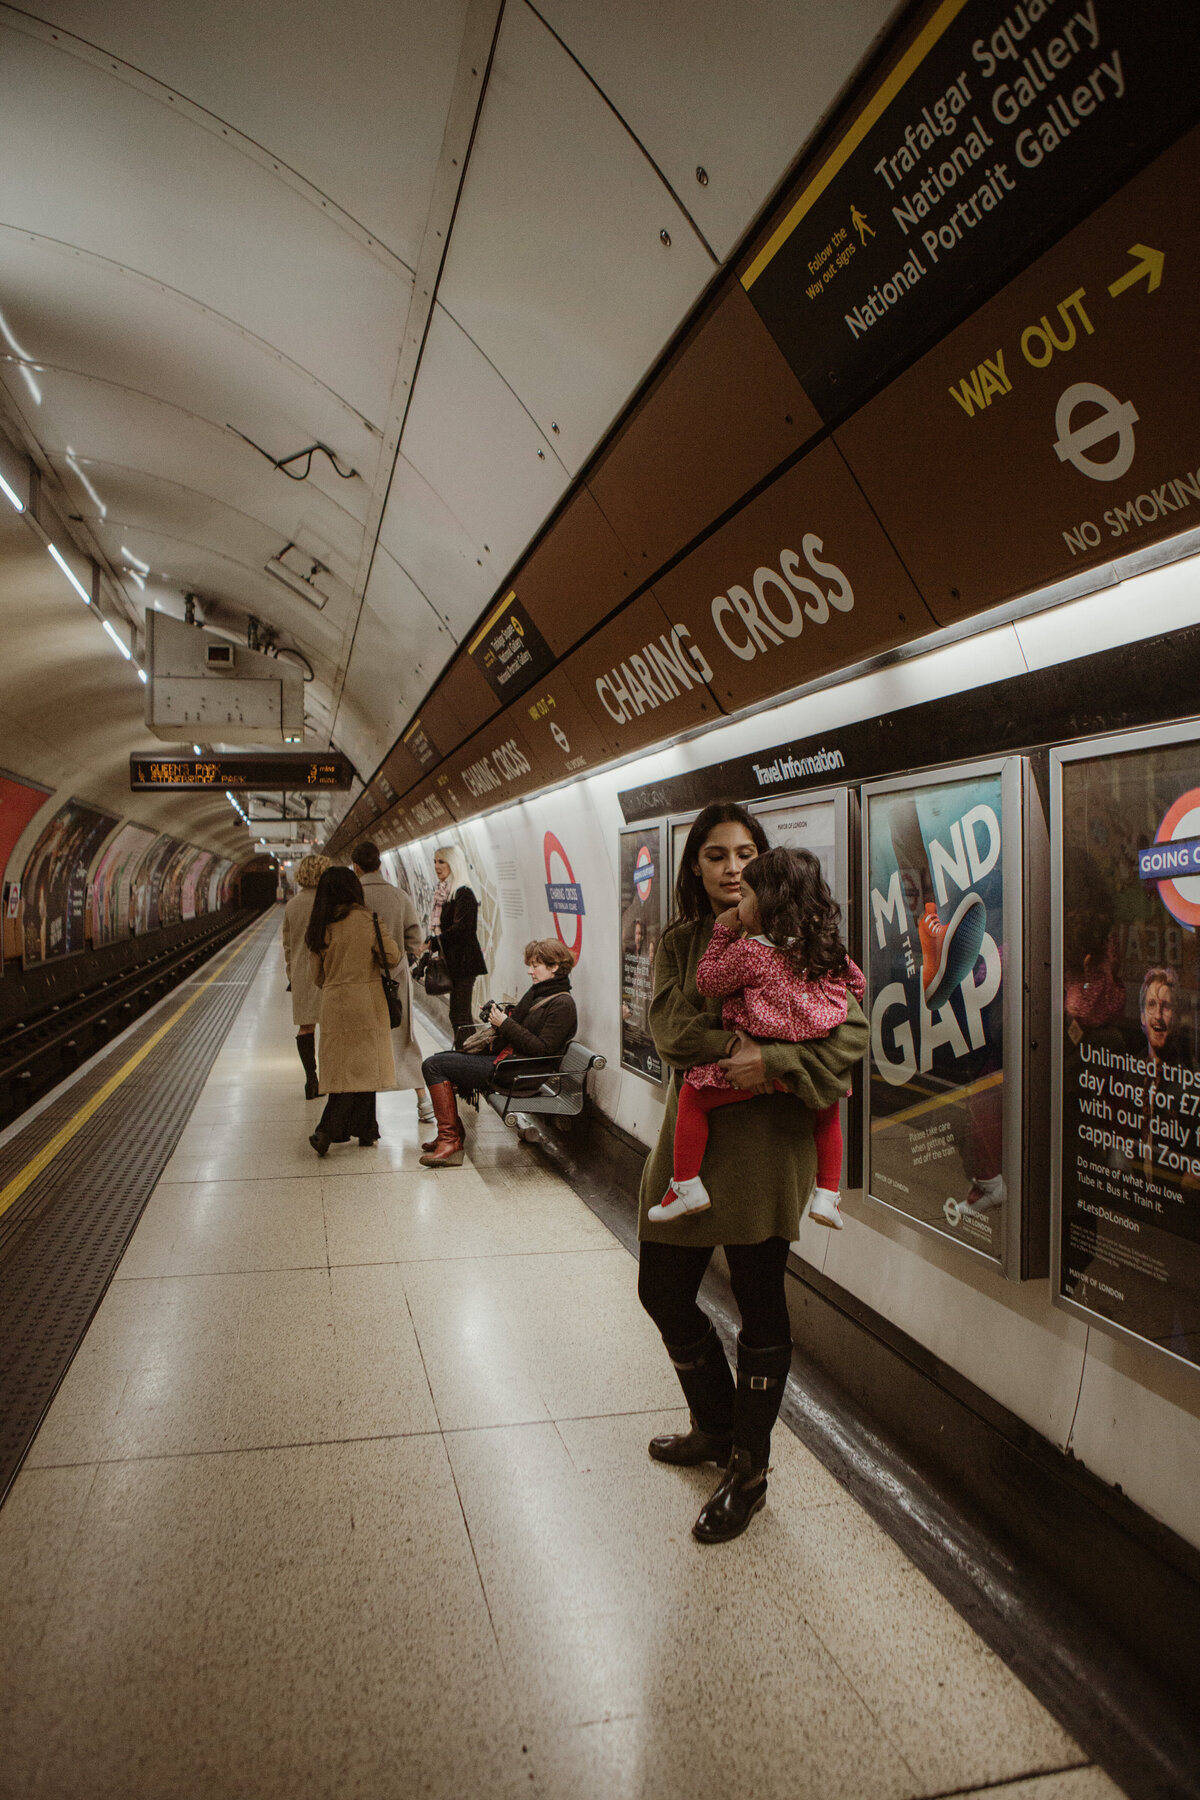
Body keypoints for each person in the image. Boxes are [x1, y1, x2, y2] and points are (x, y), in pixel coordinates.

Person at [637, 802, 868, 1545]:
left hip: (769, 1146)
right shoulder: (683, 942)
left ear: (764, 863)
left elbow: (850, 1039)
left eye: (745, 853)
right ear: (695, 868)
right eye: (715, 855)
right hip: (691, 1146)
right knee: (661, 1289)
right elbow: (670, 1032)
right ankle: (716, 1424)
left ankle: (750, 1468)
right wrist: (786, 1036)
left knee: (760, 1298)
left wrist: (769, 1060)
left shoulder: (809, 938)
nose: (732, 867)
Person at [648, 846, 864, 1231]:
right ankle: (828, 1195)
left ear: (768, 903)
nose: (735, 878)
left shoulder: (747, 952)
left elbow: (708, 981)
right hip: (803, 1078)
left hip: (754, 1081)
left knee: (694, 1099)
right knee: (828, 1117)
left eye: (746, 892)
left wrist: (723, 934)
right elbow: (857, 986)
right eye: (715, 856)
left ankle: (685, 1184)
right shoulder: (823, 950)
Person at [418, 938, 577, 1167]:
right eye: (530, 964)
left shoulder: (562, 1004)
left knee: (434, 1066)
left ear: (554, 967)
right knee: (437, 1061)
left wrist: (505, 1024)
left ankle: (451, 1140)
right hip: (508, 1062)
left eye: (536, 965)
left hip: (518, 1072)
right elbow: (518, 1026)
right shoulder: (539, 992)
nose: (530, 971)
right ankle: (451, 1135)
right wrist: (498, 1016)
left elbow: (542, 1049)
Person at [304, 866, 401, 1157]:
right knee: (364, 1066)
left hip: (334, 1003)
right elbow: (393, 957)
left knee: (348, 1067)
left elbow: (317, 977)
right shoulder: (368, 920)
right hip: (367, 1001)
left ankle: (366, 1128)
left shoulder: (320, 926)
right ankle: (327, 1129)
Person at [350, 840, 435, 1127]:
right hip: (395, 981)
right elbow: (414, 940)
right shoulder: (400, 897)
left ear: (356, 867)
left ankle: (364, 1115)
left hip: (360, 982)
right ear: (380, 865)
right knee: (403, 1041)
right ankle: (424, 1102)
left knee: (364, 1043)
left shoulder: (351, 899)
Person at [424, 845, 487, 1048]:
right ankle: (467, 1054)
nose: (436, 866)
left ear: (454, 863)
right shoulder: (446, 893)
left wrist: (432, 942)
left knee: (460, 1015)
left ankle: (467, 1056)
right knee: (460, 1014)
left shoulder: (464, 894)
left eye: (441, 861)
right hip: (455, 962)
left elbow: (462, 929)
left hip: (465, 963)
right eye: (435, 861)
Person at [281, 852, 331, 1098]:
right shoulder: (330, 903)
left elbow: (287, 944)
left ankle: (311, 1080)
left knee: (306, 1027)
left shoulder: (292, 904)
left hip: (302, 973)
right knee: (332, 1026)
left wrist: (293, 972)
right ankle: (331, 1077)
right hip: (330, 971)